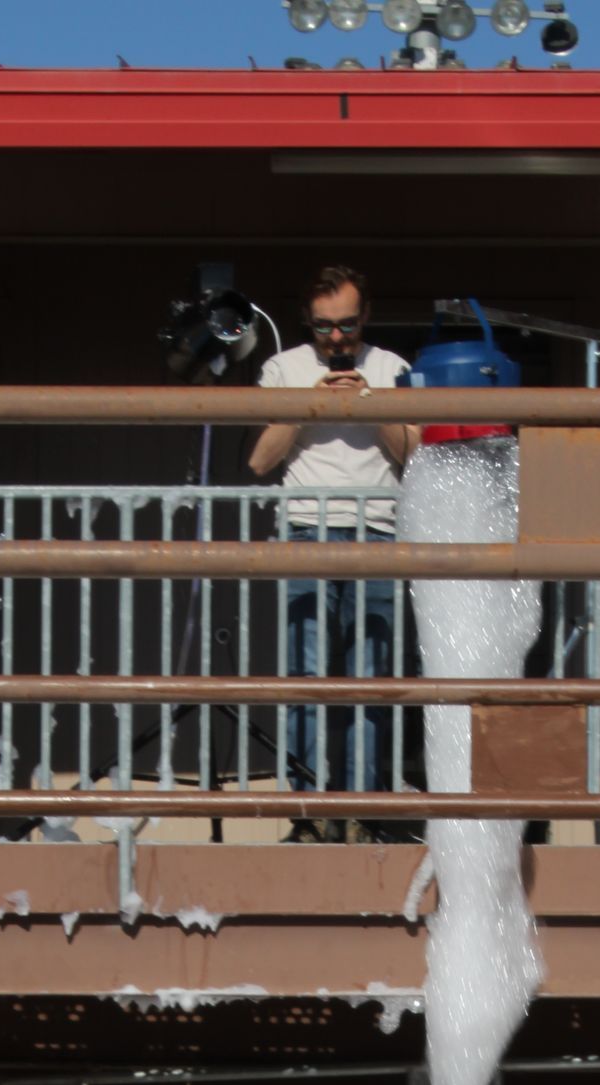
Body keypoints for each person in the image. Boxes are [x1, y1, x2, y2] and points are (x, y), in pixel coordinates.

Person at [249, 265, 411, 837]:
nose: (337, 339)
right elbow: (260, 460)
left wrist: (368, 403)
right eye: (323, 327)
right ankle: (310, 816)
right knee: (308, 679)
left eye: (346, 325)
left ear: (365, 316)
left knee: (371, 681)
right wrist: (309, 405)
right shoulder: (283, 368)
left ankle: (365, 814)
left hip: (378, 531)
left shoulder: (392, 368)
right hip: (306, 531)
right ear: (307, 322)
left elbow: (414, 453)